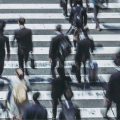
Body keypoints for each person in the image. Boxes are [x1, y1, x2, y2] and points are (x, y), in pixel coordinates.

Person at [104, 51, 120, 120]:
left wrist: (107, 96)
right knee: (118, 109)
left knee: (109, 104)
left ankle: (106, 113)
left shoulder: (114, 76)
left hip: (113, 95)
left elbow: (109, 88)